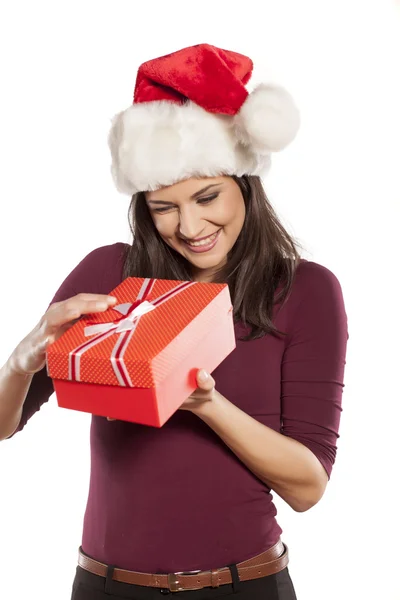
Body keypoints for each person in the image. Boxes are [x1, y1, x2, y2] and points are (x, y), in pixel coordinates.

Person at [0, 43, 349, 599]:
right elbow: (2, 424)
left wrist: (206, 404)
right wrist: (19, 362)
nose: (190, 226)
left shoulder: (303, 290)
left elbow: (308, 487)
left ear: (246, 185)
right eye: (164, 207)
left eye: (207, 197)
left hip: (242, 586)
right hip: (106, 585)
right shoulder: (109, 273)